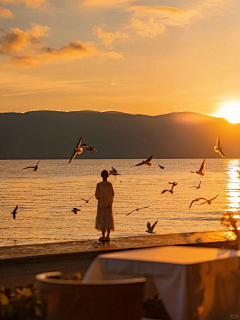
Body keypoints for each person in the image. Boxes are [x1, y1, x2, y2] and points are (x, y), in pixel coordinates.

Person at [95, 170, 115, 241]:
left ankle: (103, 236)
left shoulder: (99, 185)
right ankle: (108, 236)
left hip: (101, 205)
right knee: (108, 219)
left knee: (102, 219)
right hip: (109, 205)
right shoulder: (110, 185)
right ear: (108, 176)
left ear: (101, 176)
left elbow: (97, 196)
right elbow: (112, 194)